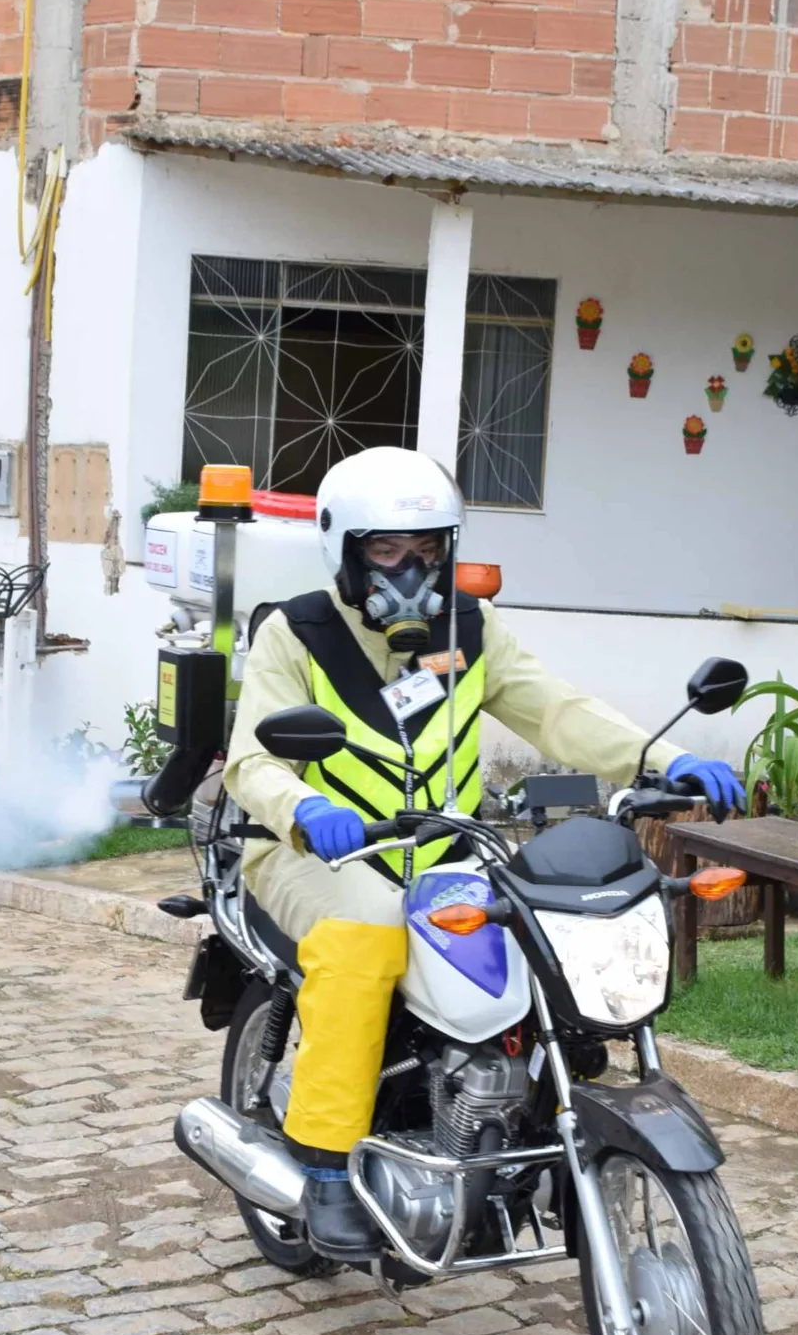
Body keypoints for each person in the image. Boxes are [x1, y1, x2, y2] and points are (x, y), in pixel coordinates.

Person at [223, 445, 745, 1260]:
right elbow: (253, 760)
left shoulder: (468, 630)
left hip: (445, 849)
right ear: (346, 549)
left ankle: (516, 1118)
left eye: (427, 549)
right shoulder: (296, 633)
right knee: (368, 933)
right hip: (317, 854)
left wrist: (661, 759)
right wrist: (307, 806)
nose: (410, 569)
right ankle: (325, 1164)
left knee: (540, 932)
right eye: (387, 551)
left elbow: (554, 708)